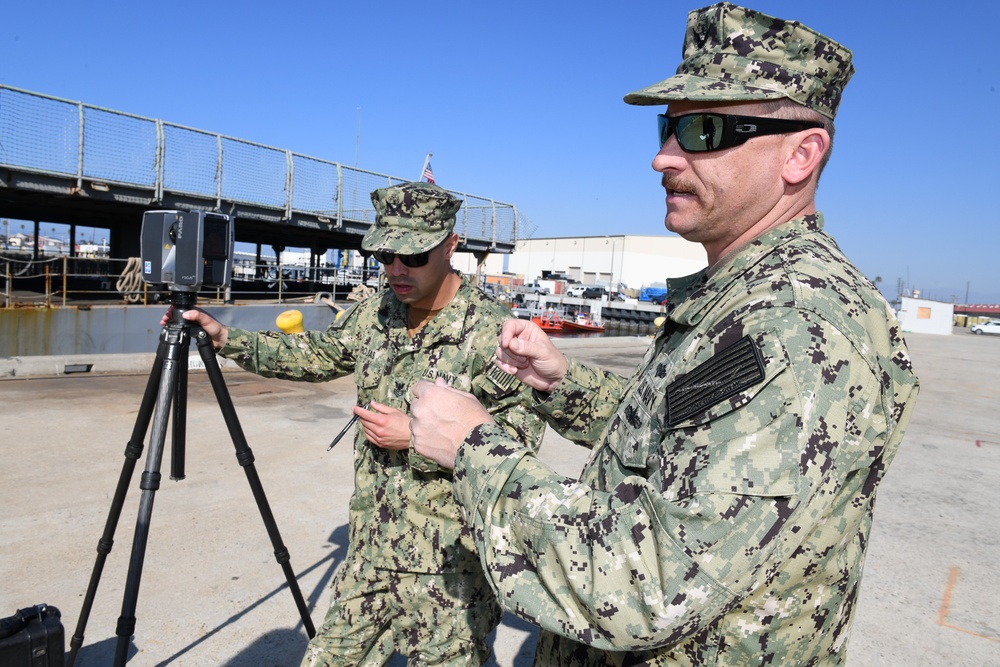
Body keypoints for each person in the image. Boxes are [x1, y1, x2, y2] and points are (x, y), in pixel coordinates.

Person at [409, 4, 919, 665]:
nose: (661, 156)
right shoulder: (748, 293)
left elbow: (646, 582)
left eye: (703, 129)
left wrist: (474, 448)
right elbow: (684, 440)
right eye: (669, 126)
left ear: (801, 153)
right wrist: (563, 382)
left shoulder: (794, 324)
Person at [169, 181, 545, 666]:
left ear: (451, 245)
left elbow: (517, 443)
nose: (396, 269)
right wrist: (227, 339)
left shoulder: (493, 331)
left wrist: (414, 437)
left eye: (412, 256)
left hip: (449, 571)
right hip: (370, 554)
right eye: (386, 255)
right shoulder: (375, 313)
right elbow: (315, 356)